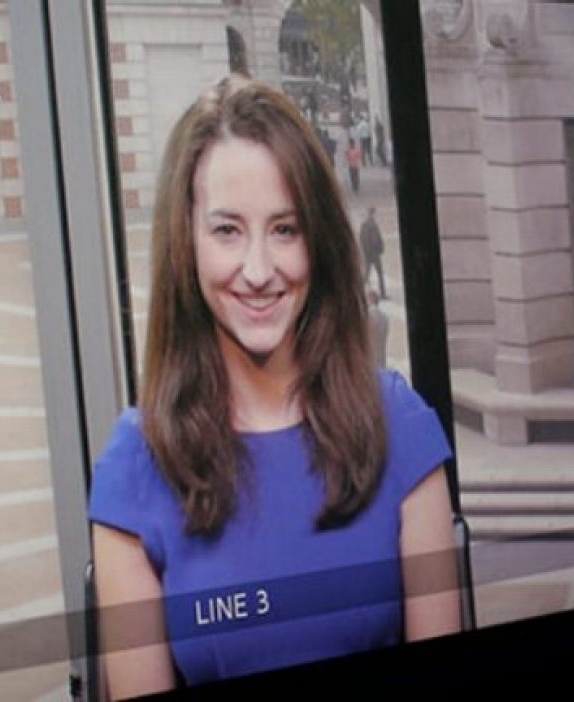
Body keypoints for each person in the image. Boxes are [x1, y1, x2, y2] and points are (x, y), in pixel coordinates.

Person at [88, 75, 459, 699]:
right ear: (187, 244)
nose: (258, 271)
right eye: (227, 231)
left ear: (318, 242)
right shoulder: (134, 467)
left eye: (285, 230)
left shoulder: (402, 428)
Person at [360, 206, 388, 300]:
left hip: (372, 254)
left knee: (370, 274)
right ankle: (382, 294)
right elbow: (368, 240)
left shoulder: (366, 225)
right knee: (371, 274)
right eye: (373, 213)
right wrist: (379, 248)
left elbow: (364, 240)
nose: (373, 215)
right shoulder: (369, 225)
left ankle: (382, 293)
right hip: (373, 254)